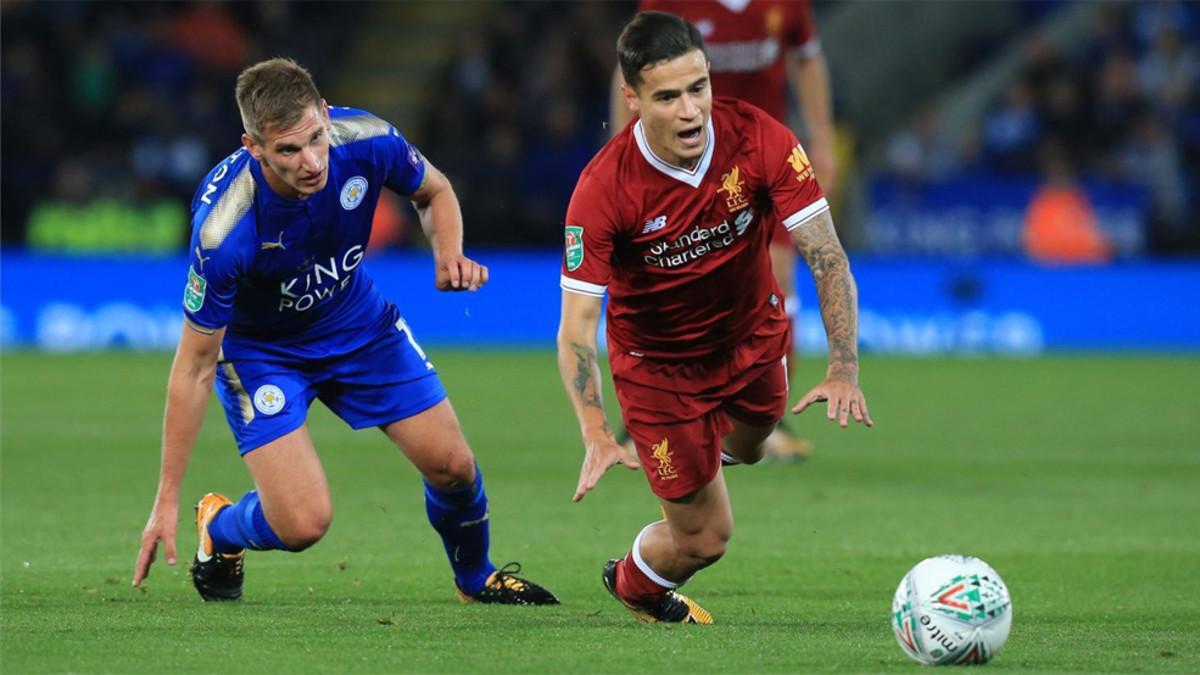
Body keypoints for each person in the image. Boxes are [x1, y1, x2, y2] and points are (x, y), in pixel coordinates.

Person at [132, 58, 557, 606]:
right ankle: (220, 529)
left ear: (326, 114)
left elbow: (435, 191)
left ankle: (476, 578)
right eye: (288, 150)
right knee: (303, 523)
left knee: (453, 467)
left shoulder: (368, 139)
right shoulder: (224, 230)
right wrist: (167, 497)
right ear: (253, 146)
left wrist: (448, 252)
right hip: (264, 353)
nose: (310, 162)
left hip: (358, 323)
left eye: (315, 138)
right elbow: (193, 366)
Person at [558, 12, 870, 624]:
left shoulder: (761, 140)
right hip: (659, 375)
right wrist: (595, 428)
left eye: (698, 88)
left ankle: (701, 454)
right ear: (632, 99)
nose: (690, 110)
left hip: (754, 343)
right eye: (667, 96)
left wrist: (843, 367)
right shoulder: (602, 190)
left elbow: (827, 257)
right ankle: (632, 581)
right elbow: (576, 328)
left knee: (752, 446)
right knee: (707, 540)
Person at [609, 0, 838, 462]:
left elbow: (808, 57)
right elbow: (630, 71)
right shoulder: (668, 5)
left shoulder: (785, 5)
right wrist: (622, 150)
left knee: (779, 275)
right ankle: (643, 421)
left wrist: (822, 136)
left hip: (759, 163)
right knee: (660, 284)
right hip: (681, 168)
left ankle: (767, 421)